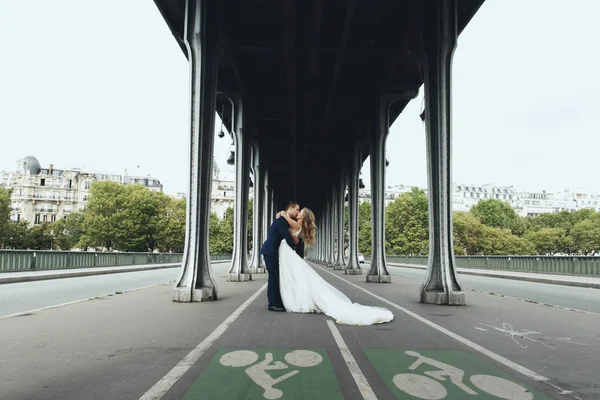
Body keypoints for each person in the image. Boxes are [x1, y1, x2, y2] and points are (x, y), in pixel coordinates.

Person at [276, 208, 394, 325]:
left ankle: (294, 299)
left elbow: (286, 220)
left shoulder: (297, 224)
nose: (298, 212)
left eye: (300, 211)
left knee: (291, 275)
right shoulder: (298, 225)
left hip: (286, 251)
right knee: (292, 275)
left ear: (304, 216)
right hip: (286, 251)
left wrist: (283, 214)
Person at [260, 201, 300, 312]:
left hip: (272, 251)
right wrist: (294, 247)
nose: (297, 212)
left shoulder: (283, 219)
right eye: (296, 209)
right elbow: (287, 236)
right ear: (290, 208)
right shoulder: (281, 221)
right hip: (270, 251)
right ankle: (272, 303)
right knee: (273, 277)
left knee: (275, 276)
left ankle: (275, 301)